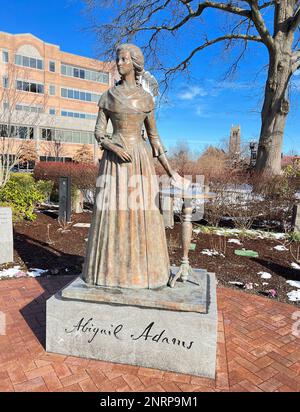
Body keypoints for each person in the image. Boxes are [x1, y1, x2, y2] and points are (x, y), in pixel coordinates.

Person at [82, 43, 182, 289]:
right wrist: (114, 148)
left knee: (142, 213)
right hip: (115, 163)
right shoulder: (108, 96)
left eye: (124, 59)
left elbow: (155, 138)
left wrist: (171, 172)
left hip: (139, 160)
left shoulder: (146, 99)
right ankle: (109, 272)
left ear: (135, 64)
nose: (119, 63)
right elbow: (98, 132)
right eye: (118, 59)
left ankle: (143, 272)